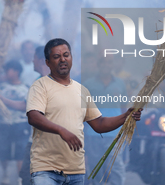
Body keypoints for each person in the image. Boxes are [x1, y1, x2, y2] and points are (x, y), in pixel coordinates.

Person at [26, 38, 142, 185]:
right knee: (96, 168)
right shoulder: (40, 86)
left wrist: (126, 116)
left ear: (72, 59)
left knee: (115, 168)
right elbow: (34, 117)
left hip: (75, 171)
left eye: (66, 55)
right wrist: (61, 130)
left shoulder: (82, 90)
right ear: (48, 62)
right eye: (56, 57)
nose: (62, 59)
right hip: (46, 169)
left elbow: (99, 123)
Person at [83, 56, 127, 185]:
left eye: (109, 63)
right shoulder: (88, 84)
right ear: (99, 64)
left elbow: (124, 106)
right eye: (103, 63)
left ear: (112, 65)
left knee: (115, 163)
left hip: (114, 131)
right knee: (95, 164)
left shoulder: (120, 83)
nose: (106, 65)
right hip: (93, 132)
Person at [0, 59, 30, 185]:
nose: (6, 73)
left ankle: (20, 178)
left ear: (16, 71)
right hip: (4, 123)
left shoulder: (26, 88)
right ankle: (5, 172)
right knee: (3, 150)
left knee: (21, 151)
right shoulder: (1, 87)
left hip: (21, 123)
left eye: (9, 70)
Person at [19, 46, 49, 185]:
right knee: (28, 177)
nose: (32, 61)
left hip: (48, 143)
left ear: (42, 60)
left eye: (35, 58)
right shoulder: (38, 81)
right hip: (35, 141)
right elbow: (24, 105)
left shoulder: (56, 80)